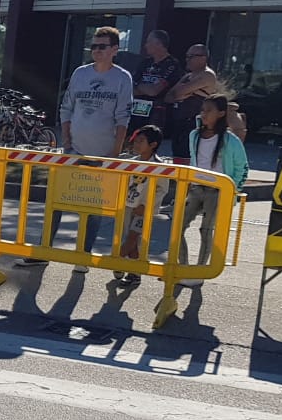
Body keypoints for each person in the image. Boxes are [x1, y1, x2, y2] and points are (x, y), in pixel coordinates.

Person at [18, 26, 133, 270]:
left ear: (115, 49)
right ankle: (43, 250)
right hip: (74, 151)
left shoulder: (123, 78)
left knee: (94, 207)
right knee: (56, 201)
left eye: (102, 46)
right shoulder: (80, 74)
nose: (96, 51)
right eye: (93, 46)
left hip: (103, 154)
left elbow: (124, 117)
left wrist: (115, 152)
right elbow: (67, 107)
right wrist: (67, 139)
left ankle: (83, 255)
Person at [177, 95, 248, 287]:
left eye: (209, 110)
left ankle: (200, 272)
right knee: (178, 227)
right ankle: (182, 267)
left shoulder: (230, 140)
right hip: (196, 188)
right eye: (203, 109)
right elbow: (194, 160)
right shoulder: (195, 135)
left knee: (206, 230)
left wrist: (233, 190)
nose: (204, 113)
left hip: (218, 190)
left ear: (221, 113)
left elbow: (243, 167)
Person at [114, 125, 168, 288]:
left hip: (143, 210)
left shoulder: (159, 166)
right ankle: (134, 273)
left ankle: (116, 262)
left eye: (141, 141)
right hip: (128, 205)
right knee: (129, 238)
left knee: (133, 238)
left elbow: (162, 189)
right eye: (136, 141)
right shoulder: (131, 163)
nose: (136, 144)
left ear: (153, 145)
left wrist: (146, 205)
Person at [164, 44, 221, 166]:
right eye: (187, 56)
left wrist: (179, 93)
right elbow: (169, 96)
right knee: (178, 158)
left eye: (192, 56)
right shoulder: (188, 76)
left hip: (195, 124)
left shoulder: (207, 75)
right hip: (179, 123)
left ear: (203, 58)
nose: (187, 59)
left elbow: (178, 92)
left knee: (191, 158)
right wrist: (181, 93)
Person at [133, 30, 182, 149]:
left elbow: (155, 91)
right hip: (137, 111)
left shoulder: (172, 65)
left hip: (157, 114)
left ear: (159, 44)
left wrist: (142, 87)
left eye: (149, 42)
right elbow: (131, 88)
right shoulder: (145, 63)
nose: (146, 45)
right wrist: (145, 88)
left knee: (151, 145)